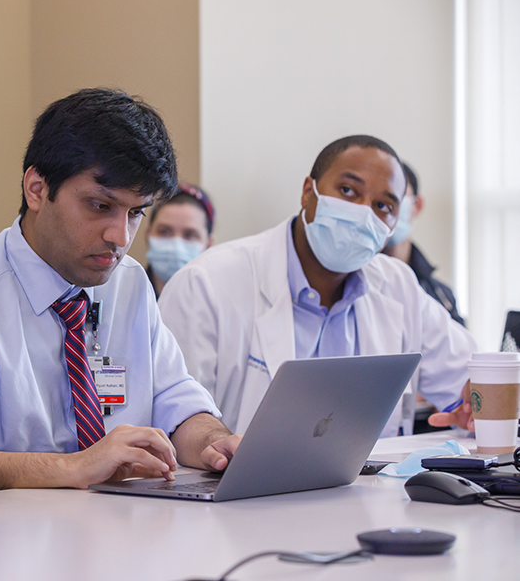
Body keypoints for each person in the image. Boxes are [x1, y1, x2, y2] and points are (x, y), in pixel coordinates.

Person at [0, 88, 240, 497]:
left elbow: (176, 402)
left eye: (135, 213)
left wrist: (216, 443)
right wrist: (72, 467)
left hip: (121, 533)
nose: (120, 236)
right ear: (36, 189)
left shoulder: (128, 283)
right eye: (99, 205)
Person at [159, 135, 477, 438]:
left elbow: (474, 376)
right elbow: (174, 414)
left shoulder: (398, 286)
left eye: (383, 206)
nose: (364, 213)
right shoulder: (206, 283)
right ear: (308, 193)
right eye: (349, 191)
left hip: (367, 492)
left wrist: (481, 404)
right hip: (236, 491)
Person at [382, 163, 465, 325]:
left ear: (417, 205)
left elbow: (463, 349)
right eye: (379, 201)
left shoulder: (440, 295)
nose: (386, 207)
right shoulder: (347, 284)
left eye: (395, 195)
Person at [145, 183, 214, 297]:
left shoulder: (219, 305)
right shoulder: (122, 294)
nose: (176, 245)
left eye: (190, 235)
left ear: (209, 244)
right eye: (164, 231)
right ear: (148, 235)